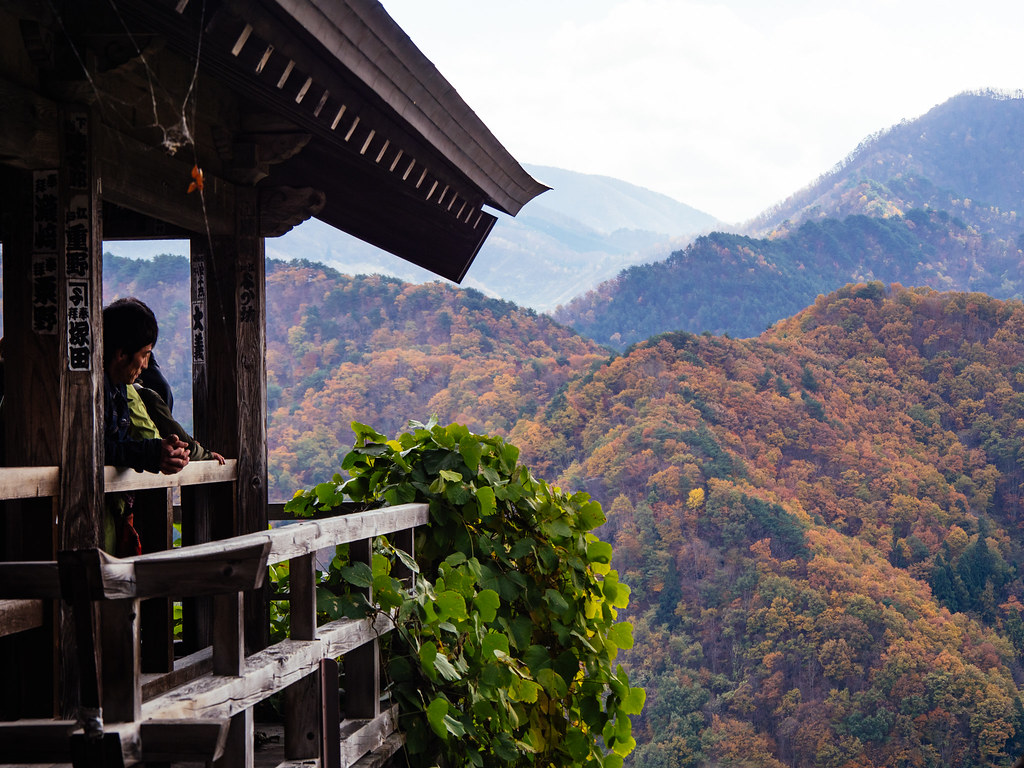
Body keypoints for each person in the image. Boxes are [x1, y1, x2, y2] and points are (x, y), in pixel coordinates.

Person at [103, 297, 190, 554]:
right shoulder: (90, 391)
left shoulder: (118, 388)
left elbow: (115, 444)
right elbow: (95, 450)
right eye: (144, 355)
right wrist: (152, 453)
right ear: (121, 354)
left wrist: (159, 451)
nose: (144, 366)